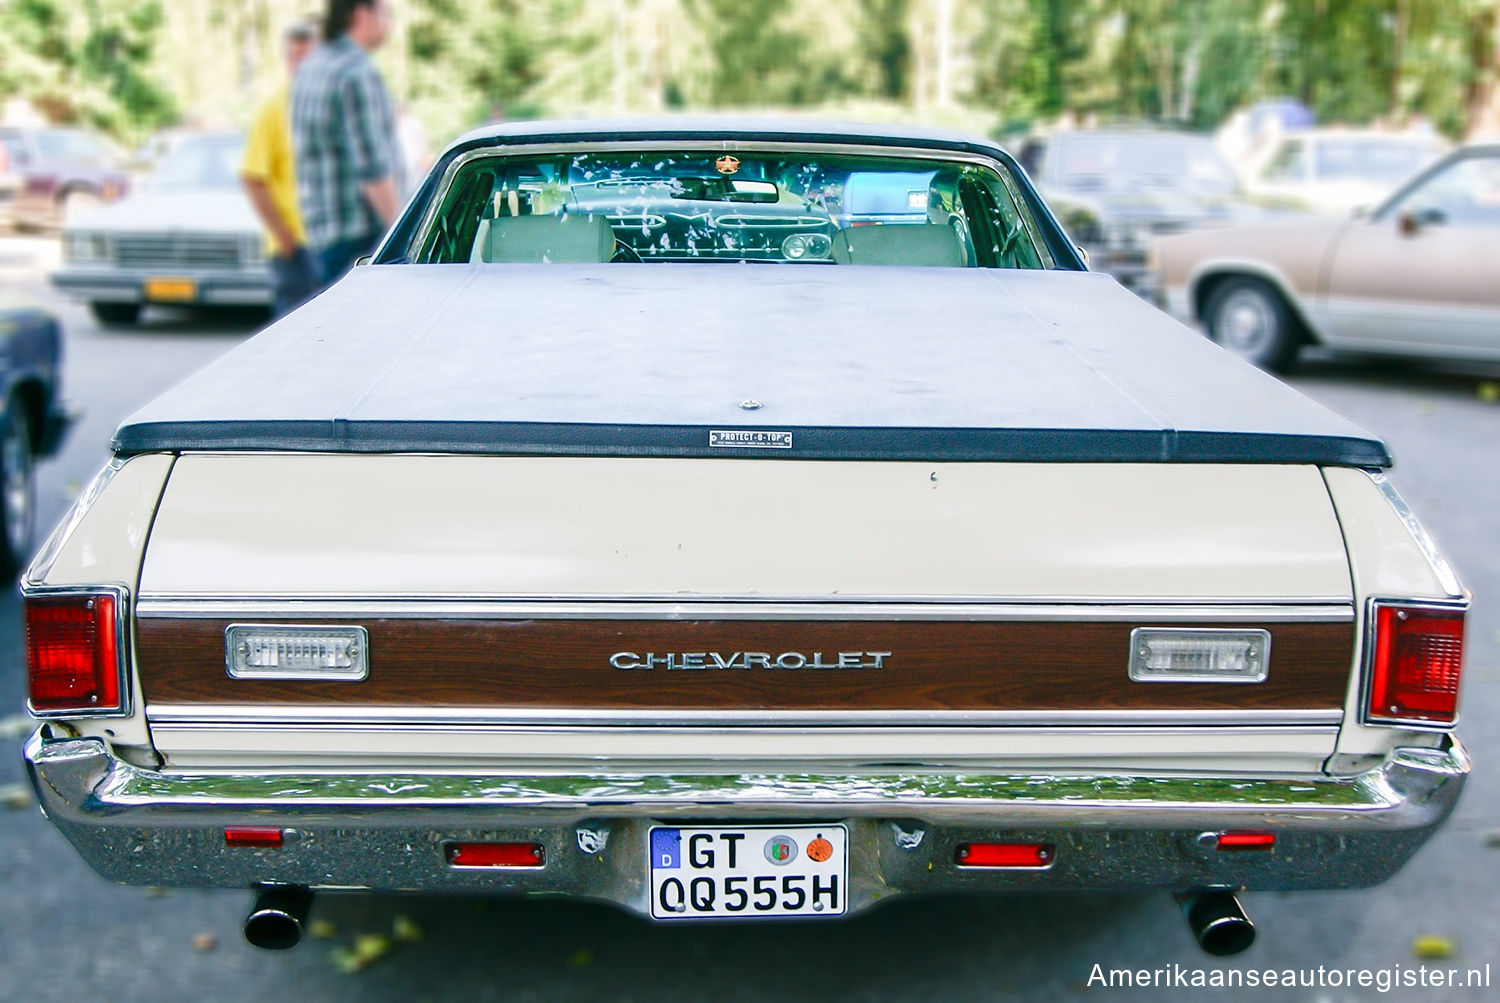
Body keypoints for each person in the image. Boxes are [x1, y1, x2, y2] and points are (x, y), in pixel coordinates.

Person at [292, 0, 403, 291]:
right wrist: (401, 233)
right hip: (361, 238)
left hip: (323, 232)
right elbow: (372, 166)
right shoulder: (356, 72)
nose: (388, 22)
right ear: (362, 14)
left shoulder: (314, 65)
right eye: (385, 12)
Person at [240, 20, 319, 318]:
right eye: (295, 58)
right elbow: (253, 178)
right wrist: (283, 235)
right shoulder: (273, 111)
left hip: (332, 242)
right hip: (295, 247)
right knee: (293, 332)